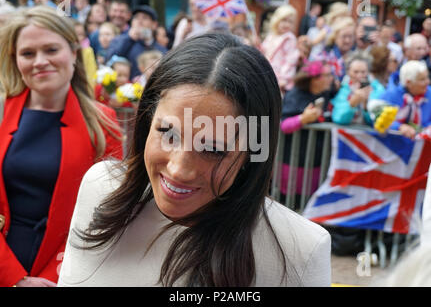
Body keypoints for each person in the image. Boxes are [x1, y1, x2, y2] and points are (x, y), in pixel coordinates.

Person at [57, 33, 331, 287]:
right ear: (147, 121)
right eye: (168, 133)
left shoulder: (300, 250)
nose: (179, 169)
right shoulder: (101, 188)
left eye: (212, 149)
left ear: (252, 151)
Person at [0, 6, 123, 287]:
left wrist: (52, 279)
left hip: (65, 273)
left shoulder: (103, 122)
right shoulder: (1, 112)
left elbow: (107, 213)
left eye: (51, 50)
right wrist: (14, 279)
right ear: (15, 59)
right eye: (28, 53)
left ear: (73, 54)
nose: (40, 61)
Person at [279, 60, 334, 208]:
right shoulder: (295, 96)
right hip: (293, 162)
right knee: (290, 206)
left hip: (316, 161)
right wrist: (303, 119)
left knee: (306, 206)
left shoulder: (326, 93)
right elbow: (283, 125)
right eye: (328, 75)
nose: (332, 79)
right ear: (315, 79)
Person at [106, 5, 167, 79]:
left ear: (154, 25)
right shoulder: (119, 40)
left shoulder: (161, 50)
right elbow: (109, 60)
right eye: (136, 17)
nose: (139, 21)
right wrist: (129, 39)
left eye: (145, 18)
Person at [379, 60, 431, 139]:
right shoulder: (391, 95)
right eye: (422, 79)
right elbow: (378, 120)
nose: (428, 82)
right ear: (408, 83)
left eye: (427, 77)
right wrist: (399, 127)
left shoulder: (429, 93)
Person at [331, 53, 384, 126]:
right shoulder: (343, 89)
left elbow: (379, 121)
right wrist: (351, 104)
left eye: (363, 72)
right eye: (355, 72)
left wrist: (366, 106)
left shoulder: (377, 89)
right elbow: (338, 118)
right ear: (348, 72)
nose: (359, 76)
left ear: (368, 72)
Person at [261, 4, 300, 94]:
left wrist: (284, 78)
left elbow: (290, 60)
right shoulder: (271, 36)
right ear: (277, 20)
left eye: (290, 22)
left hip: (278, 80)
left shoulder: (289, 38)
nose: (286, 24)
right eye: (284, 20)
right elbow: (264, 53)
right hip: (266, 75)